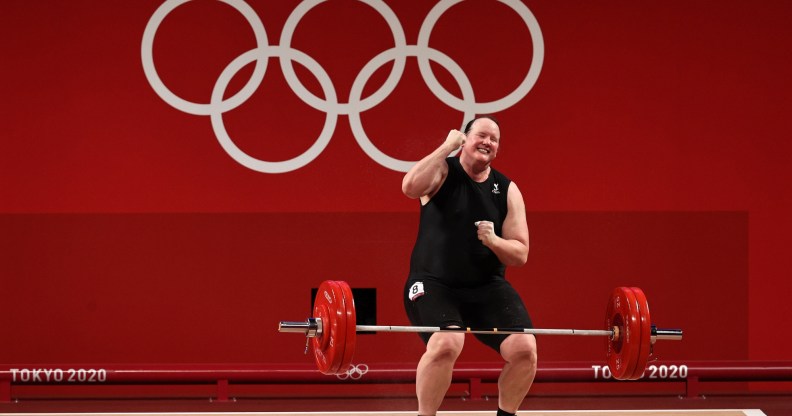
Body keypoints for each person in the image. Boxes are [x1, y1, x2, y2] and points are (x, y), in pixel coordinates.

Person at [401, 116, 537, 416]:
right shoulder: (441, 172)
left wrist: (494, 242)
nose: (487, 142)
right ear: (464, 138)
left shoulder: (507, 189)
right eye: (481, 136)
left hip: (486, 287)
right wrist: (446, 147)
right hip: (433, 283)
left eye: (494, 139)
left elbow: (520, 254)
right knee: (447, 343)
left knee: (525, 350)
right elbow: (409, 187)